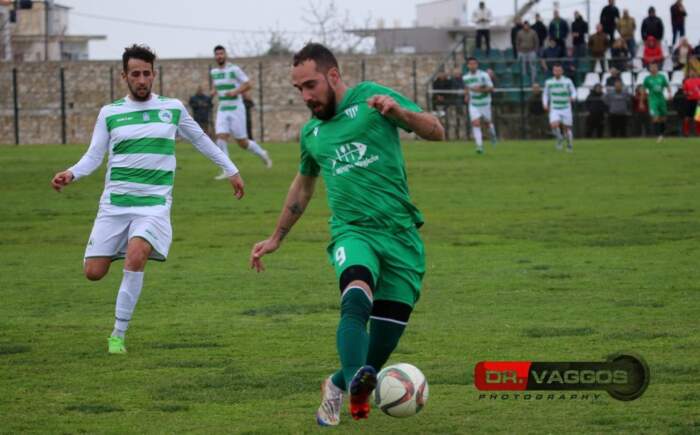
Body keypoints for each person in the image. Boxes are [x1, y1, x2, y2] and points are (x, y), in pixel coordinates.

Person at [248, 42, 444, 426]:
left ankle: (338, 384)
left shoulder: (373, 99)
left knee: (379, 350)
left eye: (310, 85)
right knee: (355, 297)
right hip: (353, 233)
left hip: (401, 236)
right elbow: (303, 187)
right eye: (299, 89)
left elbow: (435, 131)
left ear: (333, 75)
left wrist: (400, 113)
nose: (305, 96)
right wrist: (276, 237)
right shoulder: (312, 133)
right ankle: (356, 385)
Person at [50, 44, 245, 355]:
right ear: (124, 76)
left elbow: (200, 139)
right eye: (135, 74)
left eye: (146, 74)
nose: (141, 80)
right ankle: (118, 247)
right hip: (115, 205)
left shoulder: (173, 108)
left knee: (137, 254)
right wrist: (71, 173)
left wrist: (231, 169)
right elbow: (94, 156)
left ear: (154, 74)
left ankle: (118, 335)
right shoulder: (110, 113)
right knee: (93, 272)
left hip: (153, 205)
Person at [211, 45, 272, 177]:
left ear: (225, 55)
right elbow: (218, 86)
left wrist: (235, 91)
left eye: (221, 54)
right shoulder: (214, 72)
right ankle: (227, 169)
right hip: (223, 108)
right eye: (217, 54)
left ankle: (262, 153)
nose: (219, 56)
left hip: (236, 108)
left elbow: (248, 84)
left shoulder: (234, 69)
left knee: (242, 142)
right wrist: (212, 93)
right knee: (220, 137)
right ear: (215, 56)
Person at [463, 57, 497, 154]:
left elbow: (491, 89)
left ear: (477, 65)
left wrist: (480, 90)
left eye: (474, 64)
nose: (472, 66)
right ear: (468, 65)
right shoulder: (465, 77)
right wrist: (466, 95)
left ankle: (493, 135)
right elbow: (466, 88)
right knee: (476, 123)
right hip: (474, 104)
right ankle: (479, 146)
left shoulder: (484, 75)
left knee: (488, 123)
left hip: (485, 103)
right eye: (470, 64)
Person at [543, 63, 577, 151]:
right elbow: (545, 94)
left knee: (567, 128)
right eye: (555, 70)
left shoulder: (568, 81)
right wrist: (545, 104)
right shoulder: (549, 82)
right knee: (554, 125)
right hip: (554, 108)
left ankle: (569, 145)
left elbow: (574, 91)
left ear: (562, 71)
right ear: (553, 71)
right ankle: (559, 138)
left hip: (566, 107)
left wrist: (573, 97)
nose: (557, 72)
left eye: (559, 70)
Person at [643, 62, 672, 142]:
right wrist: (642, 100)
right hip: (653, 100)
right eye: (651, 67)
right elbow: (643, 89)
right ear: (649, 69)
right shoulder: (647, 79)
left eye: (655, 67)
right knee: (655, 118)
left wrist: (670, 94)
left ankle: (662, 135)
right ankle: (658, 135)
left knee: (663, 118)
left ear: (657, 68)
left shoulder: (662, 77)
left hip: (661, 99)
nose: (653, 69)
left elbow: (667, 86)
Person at [681, 71, 700, 136]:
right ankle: (686, 132)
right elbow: (684, 91)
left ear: (696, 73)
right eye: (691, 73)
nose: (692, 73)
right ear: (689, 74)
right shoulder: (686, 81)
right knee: (687, 117)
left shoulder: (699, 80)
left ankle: (698, 132)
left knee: (698, 117)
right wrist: (688, 93)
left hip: (698, 101)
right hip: (689, 101)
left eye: (693, 72)